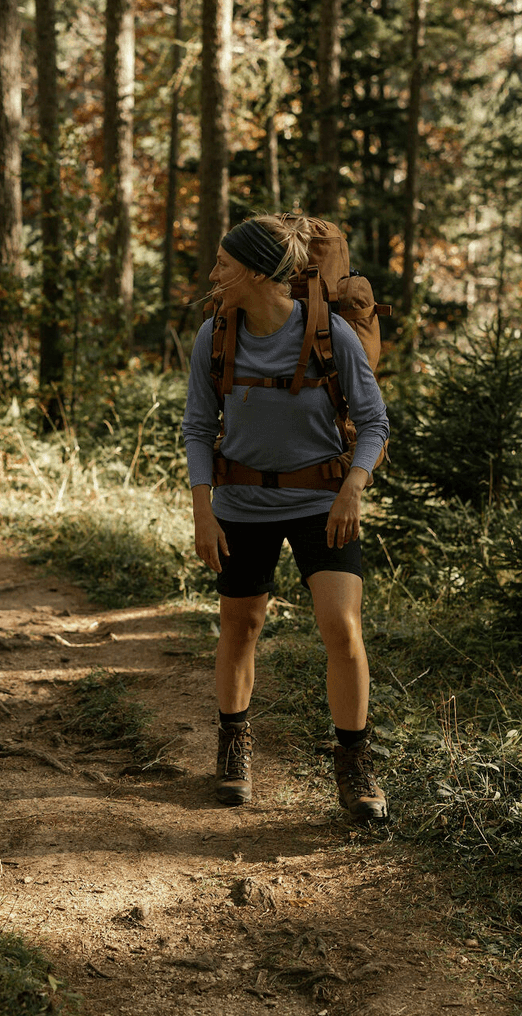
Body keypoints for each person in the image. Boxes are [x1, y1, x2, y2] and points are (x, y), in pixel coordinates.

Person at [181, 214, 391, 822]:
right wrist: (203, 508)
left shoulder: (329, 334)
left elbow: (373, 420)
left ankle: (354, 763)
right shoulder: (214, 336)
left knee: (341, 628)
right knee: (240, 626)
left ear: (252, 272)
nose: (214, 275)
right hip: (241, 504)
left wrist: (354, 485)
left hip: (321, 502)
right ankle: (233, 746)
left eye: (223, 265)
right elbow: (198, 427)